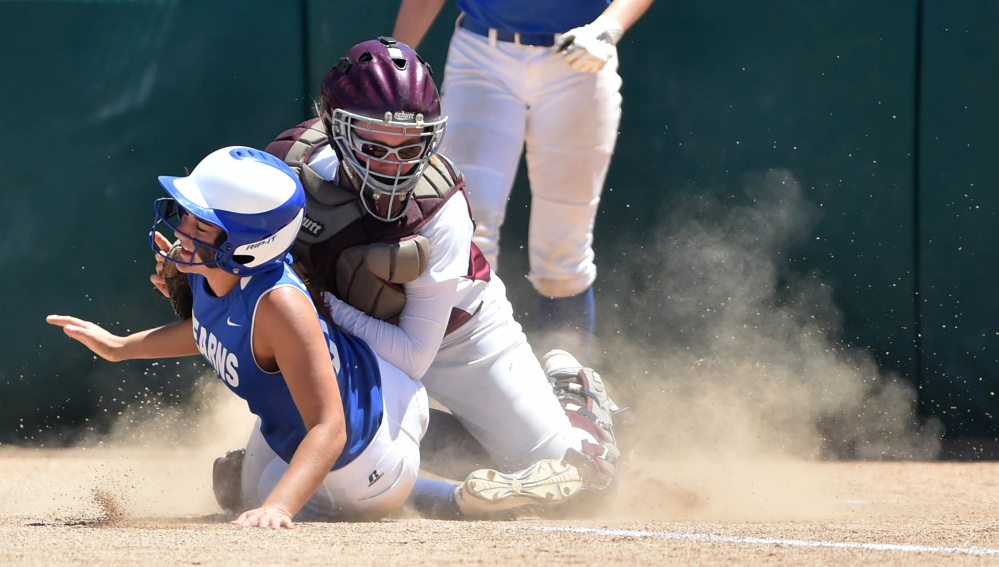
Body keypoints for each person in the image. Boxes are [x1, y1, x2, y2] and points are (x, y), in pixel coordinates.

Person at [149, 37, 625, 519]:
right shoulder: (290, 168)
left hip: (456, 336)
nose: (394, 162)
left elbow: (415, 357)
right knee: (258, 493)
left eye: (411, 146)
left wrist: (324, 308)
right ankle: (442, 470)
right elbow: (251, 280)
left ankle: (572, 397)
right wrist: (201, 268)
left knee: (575, 485)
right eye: (374, 143)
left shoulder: (440, 207)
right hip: (351, 341)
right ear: (334, 127)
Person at [50, 146, 430, 528]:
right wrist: (119, 347)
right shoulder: (213, 265)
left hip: (370, 452)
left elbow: (330, 428)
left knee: (267, 497)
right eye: (186, 215)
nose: (182, 231)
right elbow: (211, 332)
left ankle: (440, 493)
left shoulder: (279, 305)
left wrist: (278, 508)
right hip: (336, 403)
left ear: (247, 247)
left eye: (201, 226)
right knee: (237, 484)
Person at [392, 0, 655, 361]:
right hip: (481, 55)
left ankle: (566, 391)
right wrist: (394, 61)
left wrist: (609, 25)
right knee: (466, 234)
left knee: (563, 249)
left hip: (579, 52)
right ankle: (476, 382)